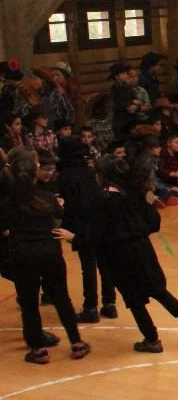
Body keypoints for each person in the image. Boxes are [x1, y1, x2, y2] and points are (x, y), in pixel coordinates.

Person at [93, 154, 178, 352]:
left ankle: (152, 339)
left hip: (120, 254)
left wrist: (76, 239)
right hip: (143, 248)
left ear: (102, 176)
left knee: (134, 300)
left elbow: (99, 233)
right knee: (157, 289)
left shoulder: (103, 200)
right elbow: (154, 224)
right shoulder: (135, 194)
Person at [0, 149, 91, 364]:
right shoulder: (47, 198)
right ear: (34, 174)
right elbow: (59, 216)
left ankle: (38, 350)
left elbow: (4, 228)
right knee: (62, 299)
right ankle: (77, 343)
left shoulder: (7, 204)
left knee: (29, 304)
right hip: (50, 254)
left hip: (22, 255)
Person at [57, 138, 117, 323]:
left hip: (81, 224)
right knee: (104, 265)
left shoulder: (65, 176)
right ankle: (110, 304)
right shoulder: (91, 172)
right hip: (101, 222)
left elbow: (69, 205)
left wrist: (68, 228)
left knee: (88, 267)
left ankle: (90, 308)